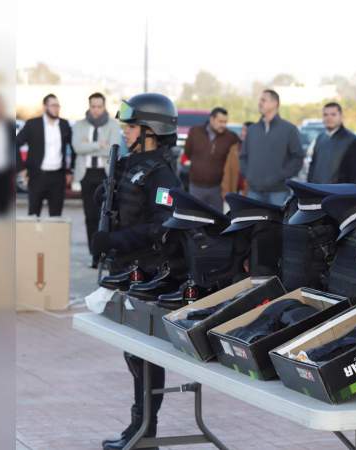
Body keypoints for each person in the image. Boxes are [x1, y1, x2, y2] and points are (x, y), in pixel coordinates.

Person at [90, 93, 182, 450]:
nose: (125, 133)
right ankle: (138, 427)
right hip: (128, 273)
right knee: (132, 354)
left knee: (145, 355)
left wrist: (114, 239)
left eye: (131, 127)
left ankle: (146, 431)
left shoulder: (161, 174)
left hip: (149, 275)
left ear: (151, 130)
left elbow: (164, 227)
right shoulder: (132, 165)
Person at [72, 92, 121, 267]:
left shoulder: (113, 126)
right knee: (90, 217)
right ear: (89, 106)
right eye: (93, 106)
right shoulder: (79, 125)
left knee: (106, 216)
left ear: (104, 107)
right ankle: (94, 255)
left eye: (99, 106)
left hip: (105, 174)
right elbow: (77, 147)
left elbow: (112, 150)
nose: (96, 110)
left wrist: (90, 146)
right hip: (86, 174)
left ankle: (105, 254)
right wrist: (99, 144)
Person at [239, 89, 304, 206]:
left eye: (263, 100)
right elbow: (243, 156)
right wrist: (249, 175)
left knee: (277, 224)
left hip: (278, 192)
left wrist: (281, 175)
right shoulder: (252, 130)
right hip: (253, 191)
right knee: (254, 224)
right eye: (260, 100)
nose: (260, 103)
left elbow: (298, 157)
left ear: (275, 103)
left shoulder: (289, 129)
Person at [15, 93, 73, 216]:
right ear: (45, 107)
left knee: (56, 216)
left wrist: (69, 171)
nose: (56, 108)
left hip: (58, 177)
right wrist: (21, 168)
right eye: (53, 105)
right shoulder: (32, 124)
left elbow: (73, 147)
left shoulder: (64, 125)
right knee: (33, 215)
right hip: (37, 176)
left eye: (58, 105)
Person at [183, 107, 240, 210]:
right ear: (211, 119)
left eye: (225, 122)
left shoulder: (231, 137)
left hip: (217, 189)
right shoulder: (195, 132)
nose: (223, 125)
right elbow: (187, 152)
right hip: (196, 187)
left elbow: (237, 158)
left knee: (216, 221)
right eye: (220, 121)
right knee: (195, 219)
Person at [307, 102, 356, 183]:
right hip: (317, 190)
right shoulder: (320, 138)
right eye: (325, 115)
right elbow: (313, 166)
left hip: (337, 192)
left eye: (333, 115)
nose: (329, 118)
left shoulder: (351, 139)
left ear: (341, 117)